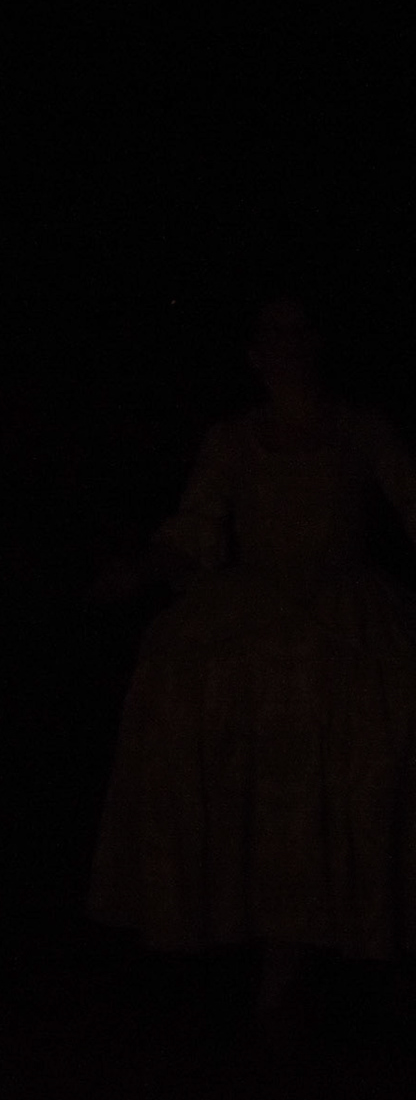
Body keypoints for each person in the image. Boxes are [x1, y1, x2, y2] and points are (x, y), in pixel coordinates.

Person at [89, 297, 416, 1041]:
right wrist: (140, 571)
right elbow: (195, 526)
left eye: (300, 332)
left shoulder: (363, 431)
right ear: (255, 354)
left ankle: (341, 952)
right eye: (274, 335)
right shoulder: (233, 440)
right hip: (253, 619)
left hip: (345, 622)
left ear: (318, 344)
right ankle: (261, 954)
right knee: (224, 750)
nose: (288, 346)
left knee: (360, 769)